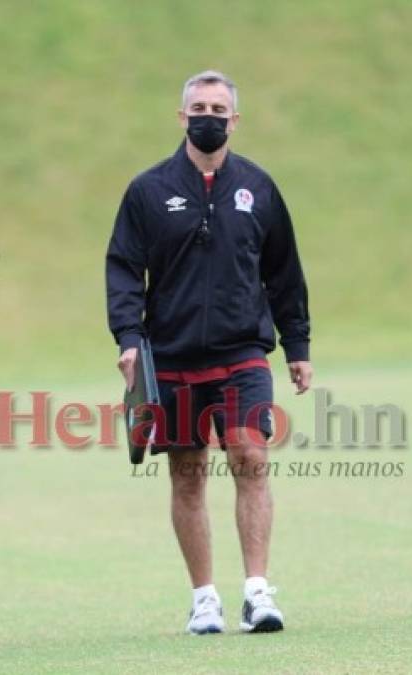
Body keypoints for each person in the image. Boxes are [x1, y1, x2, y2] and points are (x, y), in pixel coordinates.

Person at [106, 71, 312, 635]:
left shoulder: (259, 188)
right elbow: (123, 270)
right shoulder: (147, 191)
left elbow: (284, 272)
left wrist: (297, 345)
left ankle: (256, 591)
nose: (209, 116)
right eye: (199, 106)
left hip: (243, 351)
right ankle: (204, 598)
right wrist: (128, 340)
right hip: (170, 357)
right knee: (188, 474)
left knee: (251, 458)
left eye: (219, 108)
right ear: (181, 116)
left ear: (235, 120)